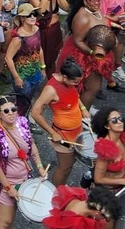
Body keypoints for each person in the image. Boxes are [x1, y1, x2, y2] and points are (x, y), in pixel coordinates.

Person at [0, 95, 47, 229]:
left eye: (13, 109)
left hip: (25, 180)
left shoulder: (22, 122)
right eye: (6, 111)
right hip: (7, 182)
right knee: (4, 221)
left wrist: (39, 166)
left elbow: (31, 144)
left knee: (12, 218)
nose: (11, 113)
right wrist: (8, 187)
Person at [31, 58, 86, 187]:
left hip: (77, 130)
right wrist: (52, 132)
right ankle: (56, 191)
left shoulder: (69, 82)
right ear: (65, 77)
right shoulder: (51, 90)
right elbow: (35, 113)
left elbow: (74, 94)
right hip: (63, 135)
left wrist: (83, 108)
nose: (76, 85)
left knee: (71, 163)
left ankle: (63, 186)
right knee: (64, 166)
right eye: (74, 82)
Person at [90, 107, 125, 191]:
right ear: (107, 126)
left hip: (120, 186)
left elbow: (123, 162)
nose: (120, 122)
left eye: (120, 118)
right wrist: (124, 181)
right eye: (114, 121)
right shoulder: (105, 149)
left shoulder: (121, 137)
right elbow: (98, 179)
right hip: (107, 191)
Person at [42, 186, 120, 229]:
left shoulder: (76, 196)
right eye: (105, 218)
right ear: (97, 213)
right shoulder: (78, 224)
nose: (104, 220)